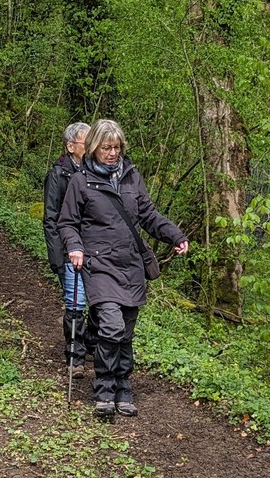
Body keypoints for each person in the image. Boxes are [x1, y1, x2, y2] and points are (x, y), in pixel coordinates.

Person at [58, 118, 189, 418]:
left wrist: (175, 236)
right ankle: (104, 388)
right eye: (106, 147)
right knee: (112, 326)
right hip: (99, 265)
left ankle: (123, 386)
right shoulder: (80, 181)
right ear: (94, 147)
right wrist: (74, 247)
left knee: (125, 333)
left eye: (116, 147)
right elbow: (67, 223)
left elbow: (148, 215)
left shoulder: (131, 177)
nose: (112, 153)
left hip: (130, 266)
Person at [43, 122, 91, 370]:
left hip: (95, 248)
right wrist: (56, 256)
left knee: (98, 300)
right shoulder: (57, 175)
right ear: (71, 146)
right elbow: (50, 218)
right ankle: (75, 356)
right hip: (68, 250)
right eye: (86, 141)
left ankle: (92, 345)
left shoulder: (97, 172)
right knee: (76, 302)